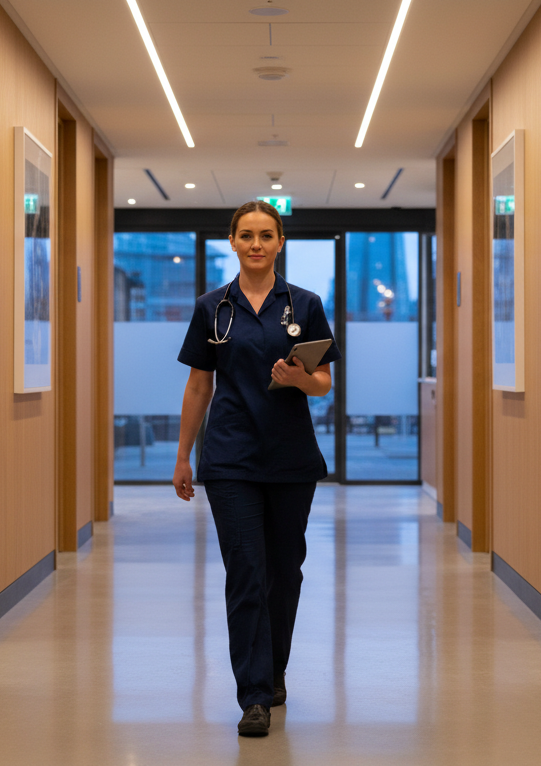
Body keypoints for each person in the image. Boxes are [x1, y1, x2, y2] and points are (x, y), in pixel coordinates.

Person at [173, 200, 341, 737]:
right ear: (233, 242)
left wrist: (298, 381)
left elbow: (323, 383)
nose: (256, 244)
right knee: (246, 571)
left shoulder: (306, 305)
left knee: (284, 573)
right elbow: (200, 384)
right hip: (230, 458)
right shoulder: (212, 307)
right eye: (246, 235)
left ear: (280, 242)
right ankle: (253, 695)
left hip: (290, 458)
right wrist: (182, 455)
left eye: (266, 235)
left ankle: (274, 671)